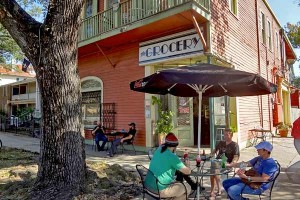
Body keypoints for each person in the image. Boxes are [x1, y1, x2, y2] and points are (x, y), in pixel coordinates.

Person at [145, 133, 192, 200]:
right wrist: (188, 165)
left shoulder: (159, 149)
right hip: (159, 190)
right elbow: (187, 172)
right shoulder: (172, 157)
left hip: (148, 186)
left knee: (177, 184)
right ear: (175, 146)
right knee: (187, 187)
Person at [209, 128, 240, 198]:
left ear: (231, 135)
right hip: (217, 162)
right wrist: (211, 154)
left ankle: (213, 190)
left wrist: (232, 163)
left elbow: (236, 156)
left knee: (214, 170)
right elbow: (215, 150)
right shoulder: (221, 142)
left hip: (226, 163)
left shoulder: (234, 145)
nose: (225, 136)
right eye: (224, 134)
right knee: (213, 170)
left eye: (227, 134)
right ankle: (216, 189)